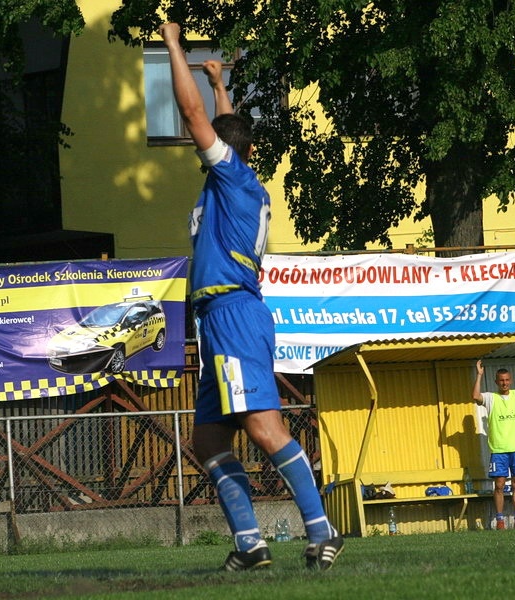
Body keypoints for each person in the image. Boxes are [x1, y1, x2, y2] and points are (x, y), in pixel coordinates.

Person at [159, 22, 342, 571]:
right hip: (215, 318)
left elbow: (198, 122)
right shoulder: (234, 178)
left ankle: (323, 530)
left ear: (228, 151)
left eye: (216, 138)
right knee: (209, 442)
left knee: (264, 429)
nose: (204, 139)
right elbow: (227, 126)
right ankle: (250, 543)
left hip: (235, 313)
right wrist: (218, 81)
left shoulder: (234, 179)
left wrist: (173, 46)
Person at [472, 356, 515, 530]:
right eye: (501, 380)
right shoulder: (491, 398)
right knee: (499, 485)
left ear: (511, 381)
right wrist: (479, 375)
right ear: (496, 381)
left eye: (507, 380)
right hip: (499, 450)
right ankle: (500, 520)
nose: (504, 383)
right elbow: (475, 396)